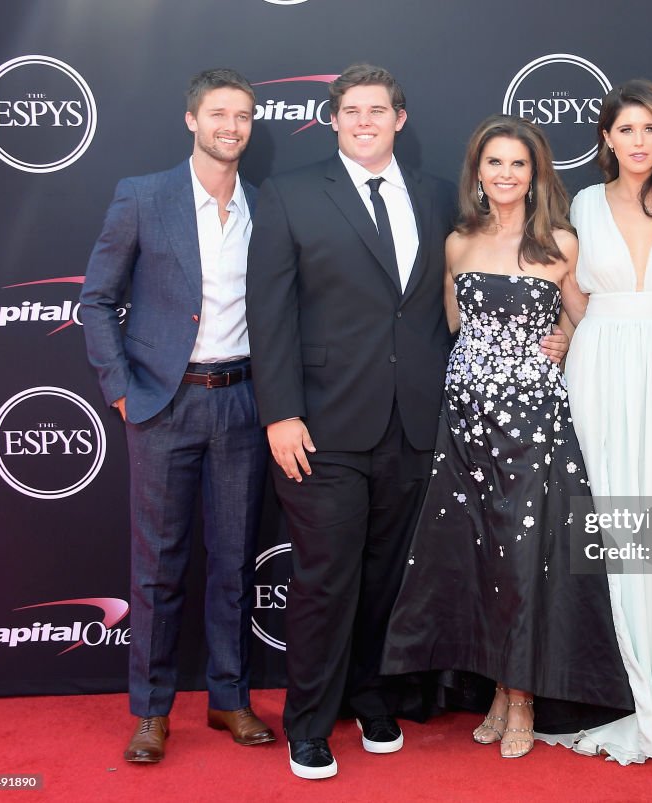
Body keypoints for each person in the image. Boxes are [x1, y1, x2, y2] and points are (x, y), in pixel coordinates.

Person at [245, 66, 568, 780]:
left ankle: (370, 695)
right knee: (325, 577)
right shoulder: (290, 193)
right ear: (333, 119)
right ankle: (308, 720)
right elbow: (267, 316)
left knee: (387, 577)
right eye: (351, 110)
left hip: (417, 425)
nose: (364, 120)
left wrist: (564, 334)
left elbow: (465, 306)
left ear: (400, 118)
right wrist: (281, 415)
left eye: (378, 110)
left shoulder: (436, 202)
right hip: (322, 426)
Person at [381, 114, 634, 760]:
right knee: (480, 559)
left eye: (517, 164)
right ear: (478, 172)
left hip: (533, 424)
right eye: (493, 162)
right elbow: (453, 324)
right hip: (466, 422)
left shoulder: (560, 244)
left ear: (535, 173)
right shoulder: (459, 242)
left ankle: (522, 695)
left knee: (521, 565)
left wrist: (567, 337)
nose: (504, 174)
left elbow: (592, 322)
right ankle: (497, 687)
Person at [79, 68, 275, 764]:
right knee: (157, 567)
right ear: (191, 119)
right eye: (219, 112)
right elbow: (95, 300)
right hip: (163, 402)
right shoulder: (143, 197)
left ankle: (229, 698)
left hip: (242, 402)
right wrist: (122, 389)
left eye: (244, 115)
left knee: (233, 563)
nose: (232, 125)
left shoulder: (263, 205)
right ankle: (152, 710)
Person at [539, 80, 652, 764]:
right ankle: (611, 687)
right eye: (626, 129)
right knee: (609, 519)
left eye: (650, 129)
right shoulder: (582, 203)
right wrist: (569, 335)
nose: (638, 141)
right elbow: (572, 294)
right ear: (605, 138)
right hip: (600, 367)